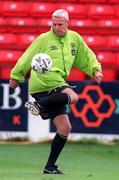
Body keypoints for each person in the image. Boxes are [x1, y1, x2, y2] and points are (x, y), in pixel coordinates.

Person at [9, 9, 103, 174]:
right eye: (54, 24)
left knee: (65, 128)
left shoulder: (74, 39)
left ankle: (49, 166)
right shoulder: (44, 39)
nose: (57, 27)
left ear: (68, 23)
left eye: (60, 24)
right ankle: (38, 104)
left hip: (57, 84)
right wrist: (16, 76)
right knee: (72, 96)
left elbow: (87, 56)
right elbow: (27, 56)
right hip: (43, 81)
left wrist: (95, 70)